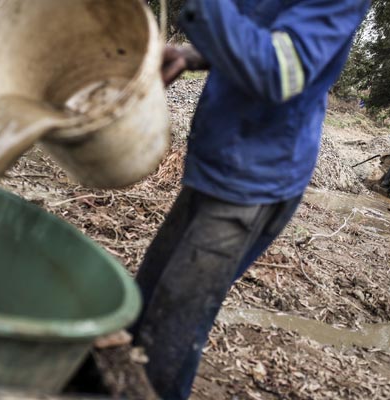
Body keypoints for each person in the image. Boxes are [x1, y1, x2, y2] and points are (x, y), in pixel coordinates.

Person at [131, 1, 369, 399]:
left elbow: (280, 69)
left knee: (172, 328)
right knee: (146, 300)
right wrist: (195, 55)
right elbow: (254, 30)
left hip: (253, 181)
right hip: (218, 155)